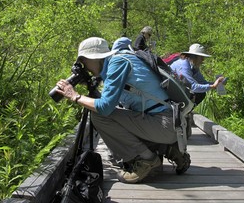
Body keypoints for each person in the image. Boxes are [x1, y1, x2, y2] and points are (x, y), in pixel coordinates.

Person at [55, 37, 188, 184]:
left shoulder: (118, 63)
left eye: (84, 61)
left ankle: (146, 159)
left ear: (93, 58)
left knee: (99, 117)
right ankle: (170, 150)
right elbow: (109, 103)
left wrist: (74, 96)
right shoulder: (120, 61)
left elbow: (104, 108)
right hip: (166, 123)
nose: (84, 66)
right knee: (110, 115)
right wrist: (88, 84)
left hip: (163, 123)